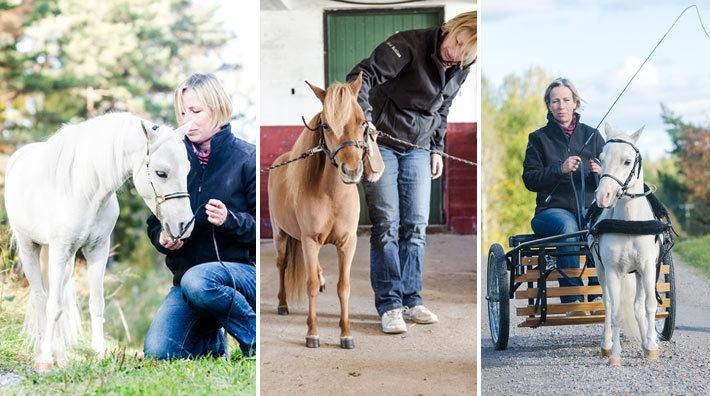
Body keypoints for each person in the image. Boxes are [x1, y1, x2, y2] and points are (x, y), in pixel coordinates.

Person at [346, 11, 477, 334]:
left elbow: (443, 108)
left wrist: (437, 148)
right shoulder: (408, 44)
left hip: (419, 147)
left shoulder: (462, 67)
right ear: (452, 28)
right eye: (456, 42)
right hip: (383, 143)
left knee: (416, 226)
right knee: (387, 224)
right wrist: (367, 123)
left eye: (464, 52)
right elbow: (361, 75)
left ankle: (411, 299)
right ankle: (389, 305)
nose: (454, 52)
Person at [143, 73, 256, 358]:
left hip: (241, 276)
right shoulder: (170, 159)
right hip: (187, 283)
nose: (186, 120)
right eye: (181, 112)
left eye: (195, 111)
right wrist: (162, 237)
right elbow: (154, 221)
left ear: (217, 109)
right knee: (158, 353)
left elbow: (266, 232)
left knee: (199, 280)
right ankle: (213, 340)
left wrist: (231, 220)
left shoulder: (247, 158)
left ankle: (255, 339)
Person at [522, 77, 605, 311]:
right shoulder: (539, 138)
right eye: (555, 101)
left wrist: (599, 172)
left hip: (589, 207)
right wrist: (559, 169)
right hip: (550, 211)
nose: (561, 106)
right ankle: (573, 296)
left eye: (566, 100)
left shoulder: (593, 135)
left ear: (575, 103)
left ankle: (598, 292)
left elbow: (611, 178)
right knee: (568, 227)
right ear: (549, 105)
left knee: (600, 224)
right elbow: (530, 179)